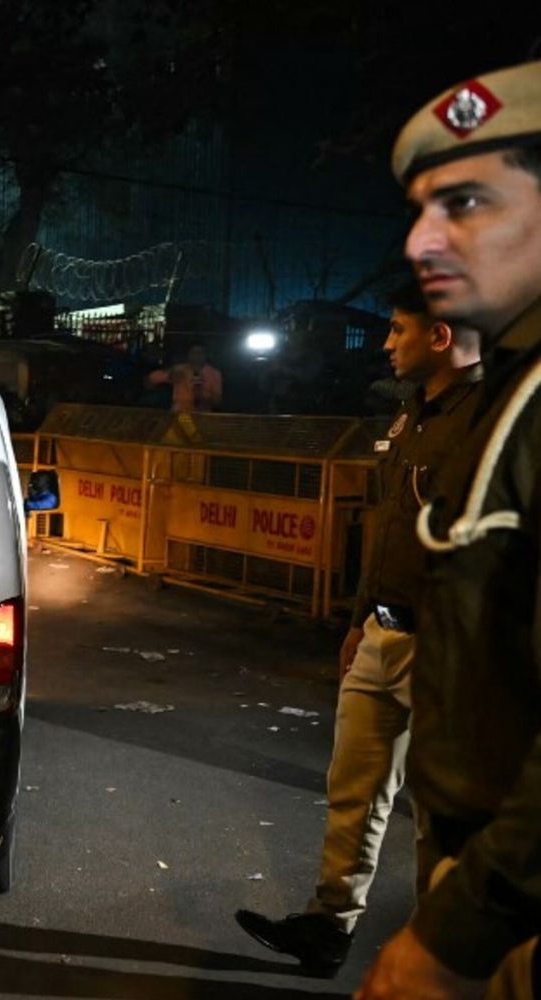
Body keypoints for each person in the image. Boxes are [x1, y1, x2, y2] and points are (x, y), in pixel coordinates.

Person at [358, 60, 541, 1000]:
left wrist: (457, 933)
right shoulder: (513, 392)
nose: (425, 239)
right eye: (422, 207)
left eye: (466, 202)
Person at [235, 285, 483, 976]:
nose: (384, 342)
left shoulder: (493, 424)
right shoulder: (413, 415)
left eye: (397, 330)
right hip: (381, 635)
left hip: (450, 653)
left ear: (439, 338)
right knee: (355, 790)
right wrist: (358, 619)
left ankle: (439, 958)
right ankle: (328, 927)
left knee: (442, 815)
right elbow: (388, 530)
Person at [147, 343, 223, 413]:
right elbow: (151, 380)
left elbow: (217, 401)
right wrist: (170, 376)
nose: (197, 356)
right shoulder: (179, 370)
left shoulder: (214, 374)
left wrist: (203, 398)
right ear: (188, 354)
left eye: (200, 353)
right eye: (194, 353)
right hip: (179, 412)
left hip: (204, 414)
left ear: (205, 355)